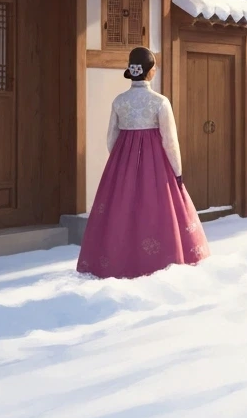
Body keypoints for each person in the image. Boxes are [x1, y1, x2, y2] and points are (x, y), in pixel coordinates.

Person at [77, 47, 210, 278]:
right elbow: (170, 141)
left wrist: (121, 163)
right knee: (158, 210)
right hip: (156, 165)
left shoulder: (119, 101)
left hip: (122, 163)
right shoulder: (159, 102)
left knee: (120, 211)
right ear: (150, 72)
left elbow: (111, 138)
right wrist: (177, 171)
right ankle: (164, 262)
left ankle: (116, 262)